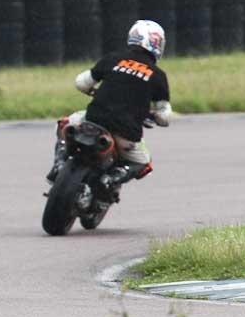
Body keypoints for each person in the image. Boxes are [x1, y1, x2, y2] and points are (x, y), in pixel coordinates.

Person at [47, 20, 171, 191]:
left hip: (93, 118)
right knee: (144, 162)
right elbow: (164, 117)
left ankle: (59, 165)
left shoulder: (114, 58)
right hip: (125, 132)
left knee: (65, 124)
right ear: (156, 43)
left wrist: (95, 92)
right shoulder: (158, 75)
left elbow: (81, 83)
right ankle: (111, 178)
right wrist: (153, 115)